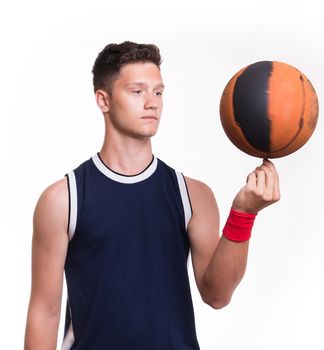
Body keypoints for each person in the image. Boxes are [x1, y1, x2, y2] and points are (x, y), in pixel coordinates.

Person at [24, 41, 280, 350]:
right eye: (137, 91)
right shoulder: (64, 199)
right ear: (103, 100)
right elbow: (45, 311)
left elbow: (217, 294)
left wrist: (244, 213)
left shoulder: (192, 195)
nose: (152, 103)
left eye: (158, 92)